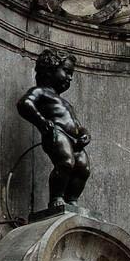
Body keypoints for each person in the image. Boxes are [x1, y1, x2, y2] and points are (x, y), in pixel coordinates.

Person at [17, 49, 90, 210]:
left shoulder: (66, 103)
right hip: (56, 132)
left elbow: (77, 124)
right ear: (49, 70)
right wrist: (41, 121)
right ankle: (56, 197)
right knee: (66, 162)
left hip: (75, 140)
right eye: (67, 72)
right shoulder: (40, 92)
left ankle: (71, 200)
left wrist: (84, 134)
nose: (70, 77)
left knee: (83, 168)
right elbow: (24, 103)